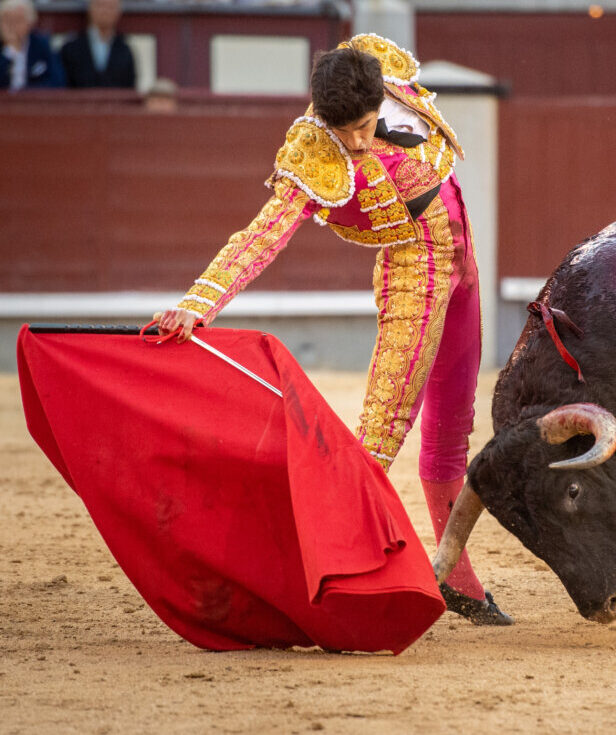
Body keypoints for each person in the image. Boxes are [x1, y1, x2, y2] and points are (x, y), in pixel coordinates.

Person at [156, 34, 512, 626]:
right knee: (378, 437)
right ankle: (325, 579)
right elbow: (262, 235)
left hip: (464, 262)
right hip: (413, 274)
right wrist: (200, 303)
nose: (355, 142)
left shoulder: (383, 66)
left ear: (380, 97)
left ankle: (459, 580)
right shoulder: (312, 152)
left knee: (452, 427)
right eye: (342, 130)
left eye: (365, 126)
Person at [59, 0, 136, 89]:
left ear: (118, 12)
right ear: (90, 8)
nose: (105, 11)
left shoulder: (125, 50)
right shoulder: (71, 48)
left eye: (110, 7)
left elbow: (130, 88)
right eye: (101, 5)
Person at [1, 0, 64, 91]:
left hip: (35, 103)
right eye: (7, 20)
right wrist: (9, 52)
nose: (12, 26)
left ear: (30, 23)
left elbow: (57, 82)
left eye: (18, 20)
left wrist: (24, 95)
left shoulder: (42, 45)